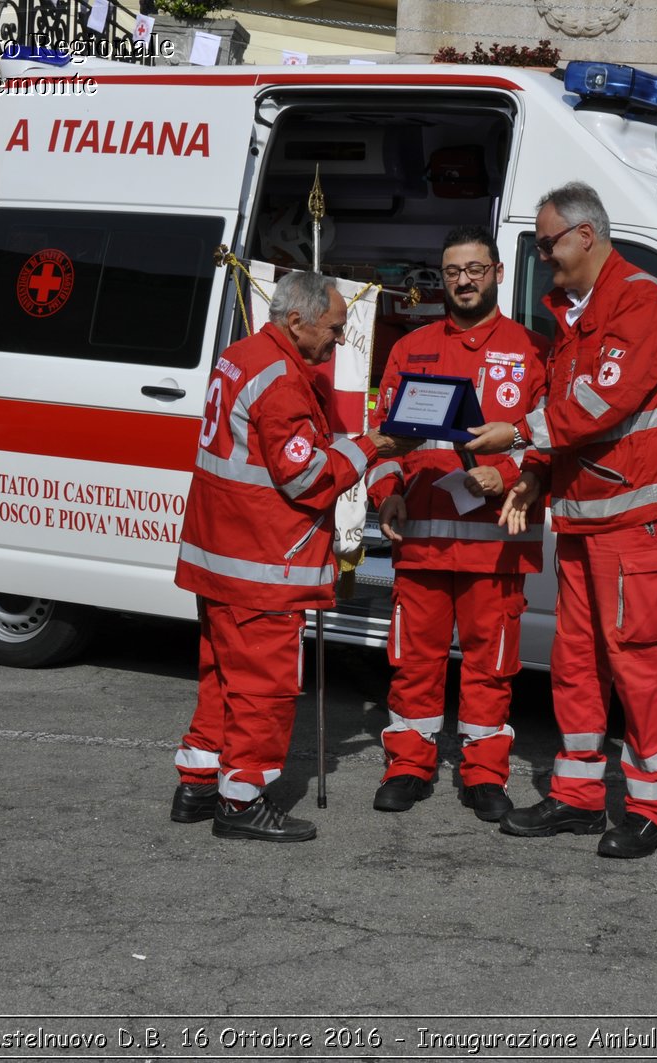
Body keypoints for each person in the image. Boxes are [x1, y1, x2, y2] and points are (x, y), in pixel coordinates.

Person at [467, 181, 657, 859]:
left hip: (634, 515)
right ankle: (577, 795)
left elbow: (602, 401)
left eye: (547, 243)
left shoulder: (640, 299)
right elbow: (568, 419)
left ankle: (653, 808)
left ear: (585, 236)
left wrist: (515, 437)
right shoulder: (577, 312)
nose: (542, 257)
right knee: (574, 663)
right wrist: (536, 470)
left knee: (636, 665)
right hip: (585, 516)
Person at [170, 271, 415, 842]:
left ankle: (199, 783)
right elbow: (306, 479)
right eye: (333, 329)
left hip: (221, 555)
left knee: (222, 678)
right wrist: (371, 445)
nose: (337, 340)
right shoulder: (281, 378)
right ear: (296, 320)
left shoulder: (243, 356)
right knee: (263, 686)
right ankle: (241, 799)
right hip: (263, 560)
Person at [365, 226, 550, 820]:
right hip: (419, 537)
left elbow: (553, 442)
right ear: (441, 278)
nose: (464, 281)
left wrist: (516, 474)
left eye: (474, 269)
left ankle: (484, 774)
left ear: (497, 272)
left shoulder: (532, 351)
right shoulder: (409, 348)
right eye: (452, 272)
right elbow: (383, 440)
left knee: (491, 664)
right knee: (412, 660)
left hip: (496, 546)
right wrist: (388, 491)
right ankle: (408, 766)